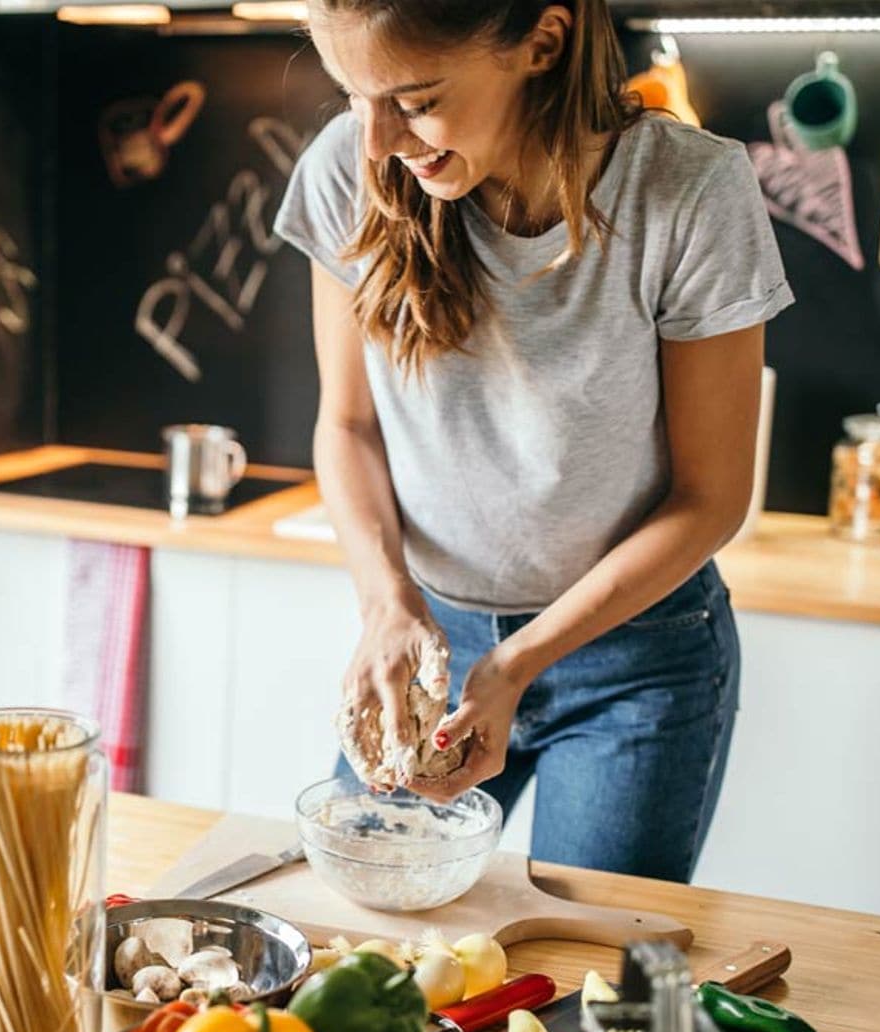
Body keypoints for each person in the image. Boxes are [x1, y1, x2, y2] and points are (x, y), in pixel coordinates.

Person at [273, 0, 792, 883]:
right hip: (437, 638)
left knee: (585, 980)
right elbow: (349, 425)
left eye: (417, 98)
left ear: (541, 43)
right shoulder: (347, 174)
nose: (375, 143)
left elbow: (711, 501)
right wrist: (385, 603)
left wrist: (518, 663)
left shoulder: (689, 192)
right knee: (366, 939)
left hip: (638, 659)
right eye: (353, 98)